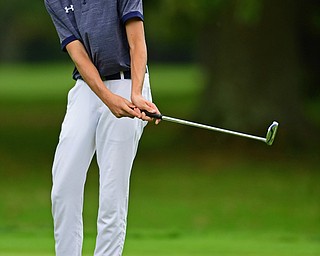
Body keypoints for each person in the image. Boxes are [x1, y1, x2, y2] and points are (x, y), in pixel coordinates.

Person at [44, 0, 160, 255]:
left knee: (112, 194)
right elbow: (78, 53)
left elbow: (136, 41)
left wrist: (136, 94)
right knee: (63, 186)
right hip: (87, 88)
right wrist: (108, 99)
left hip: (129, 81)